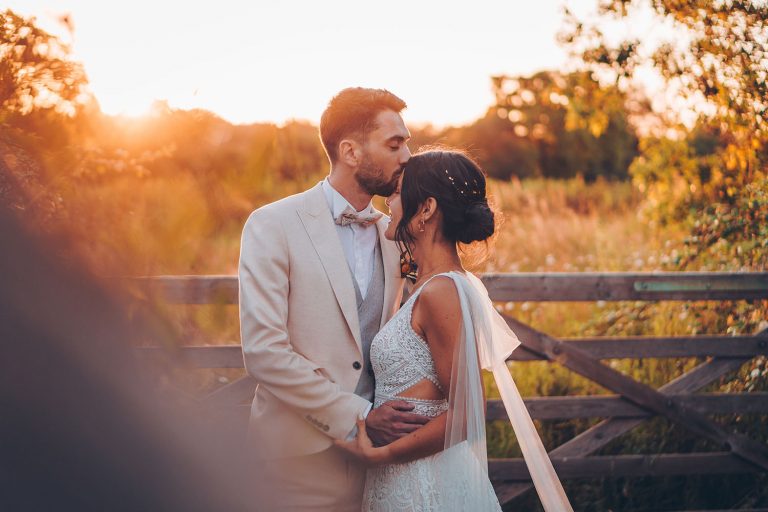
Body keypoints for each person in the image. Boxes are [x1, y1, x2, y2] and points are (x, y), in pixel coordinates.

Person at [335, 149, 573, 511]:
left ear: (426, 209)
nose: (388, 202)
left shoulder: (442, 291)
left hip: (422, 482)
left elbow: (465, 416)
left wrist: (382, 456)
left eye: (396, 192)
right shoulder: (427, 285)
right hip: (402, 478)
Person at [238, 87, 431, 511]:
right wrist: (359, 415)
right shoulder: (273, 225)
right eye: (394, 144)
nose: (406, 157)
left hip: (382, 461)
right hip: (295, 461)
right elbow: (264, 351)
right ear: (350, 151)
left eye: (407, 144)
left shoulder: (393, 233)